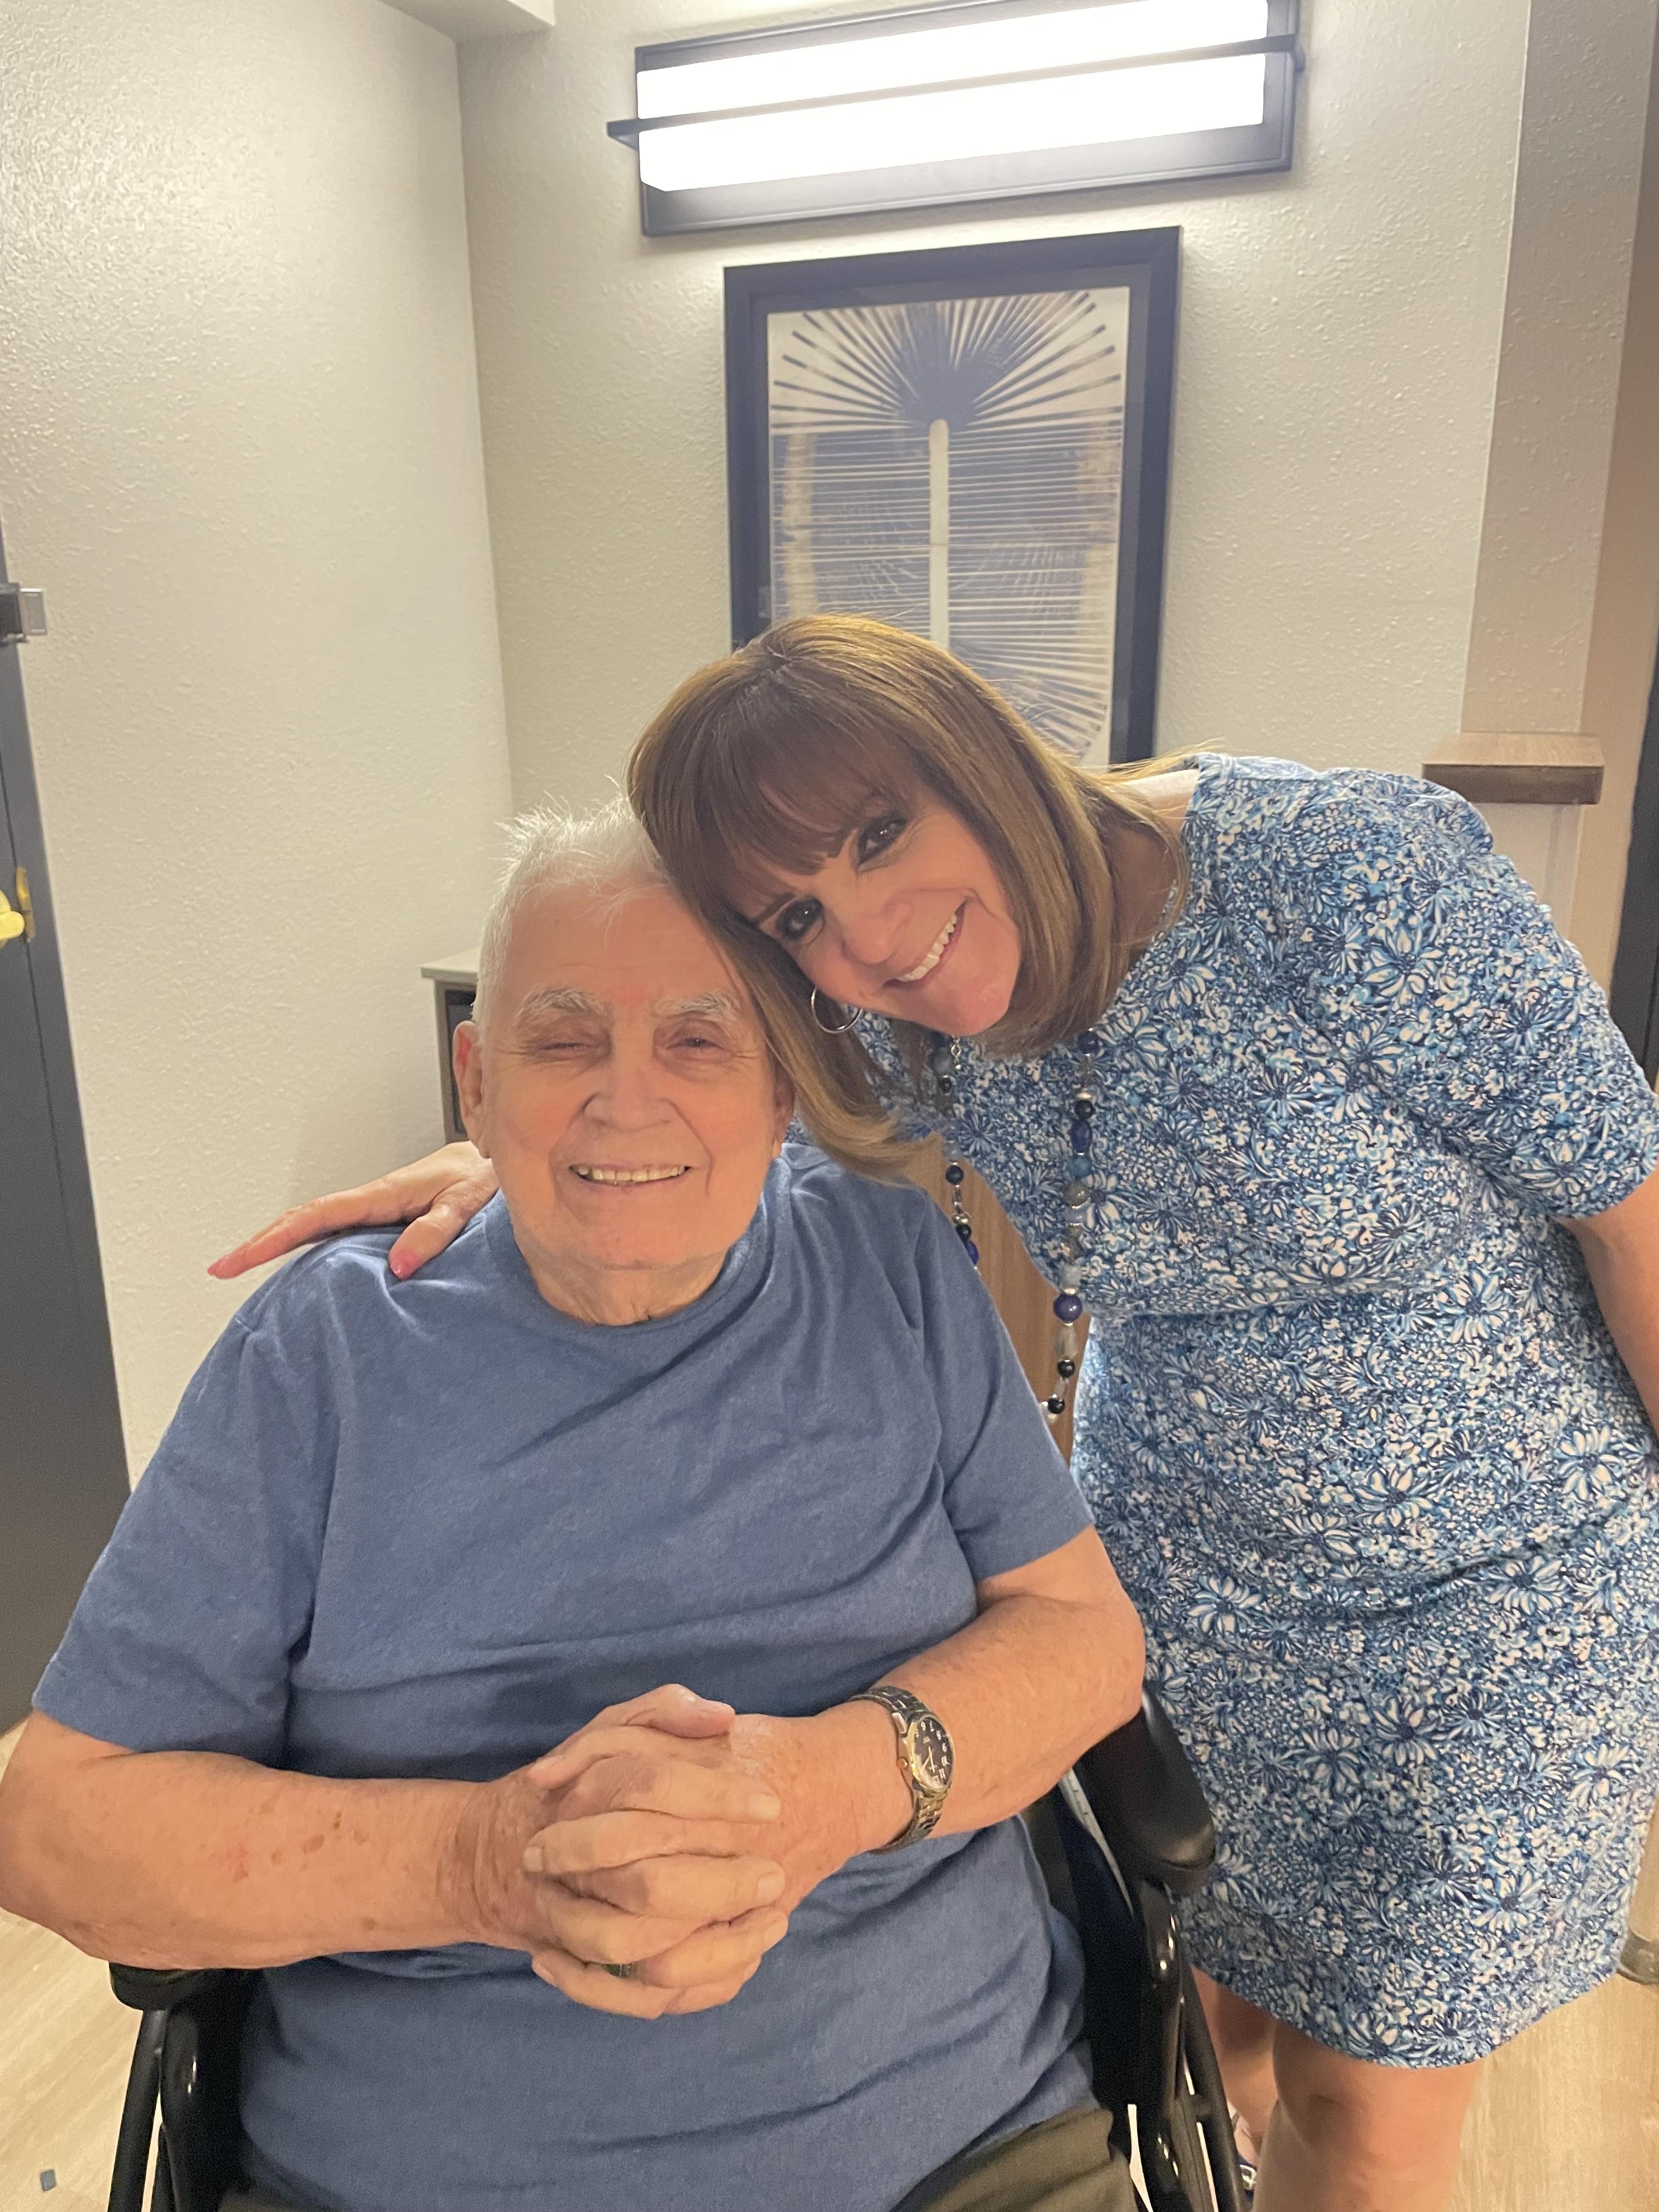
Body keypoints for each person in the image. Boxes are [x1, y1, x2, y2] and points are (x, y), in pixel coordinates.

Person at [223, 619, 1659, 2212]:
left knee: (1372, 2103)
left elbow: (1633, 1219)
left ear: (976, 749)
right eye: (800, 913)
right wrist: (516, 1144)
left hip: (1491, 1606)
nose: (875, 934)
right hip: (1177, 1574)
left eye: (882, 833)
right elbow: (707, 1102)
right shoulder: (900, 1012)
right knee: (1214, 2028)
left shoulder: (1350, 877)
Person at [0, 798, 1150, 2212]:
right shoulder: (326, 1357)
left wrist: (820, 1795)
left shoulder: (892, 1269)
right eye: (562, 1041)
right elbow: (57, 1823)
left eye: (701, 1038)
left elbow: (1085, 1639)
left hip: (954, 2157)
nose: (627, 1096)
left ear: (783, 1089)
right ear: (474, 1086)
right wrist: (492, 1865)